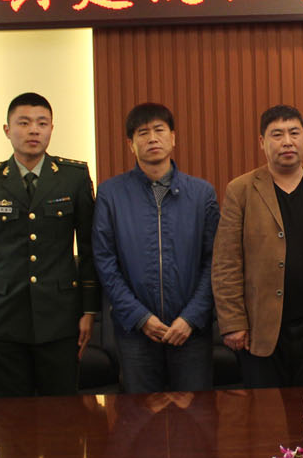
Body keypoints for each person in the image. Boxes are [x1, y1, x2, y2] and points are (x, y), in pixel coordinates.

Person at [0, 92, 98, 397]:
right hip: (2, 316)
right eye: (24, 123)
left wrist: (89, 310)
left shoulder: (74, 177)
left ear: (52, 128)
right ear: (7, 130)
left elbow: (89, 250)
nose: (33, 130)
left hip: (60, 317)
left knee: (61, 412)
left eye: (41, 123)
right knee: (8, 416)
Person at [213, 105, 303, 387]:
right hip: (261, 328)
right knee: (264, 410)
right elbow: (226, 263)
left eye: (294, 133)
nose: (287, 141)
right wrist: (232, 323)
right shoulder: (241, 190)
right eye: (277, 134)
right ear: (262, 142)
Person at [93, 102, 220, 392]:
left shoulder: (202, 193)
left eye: (159, 130)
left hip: (191, 332)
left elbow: (215, 262)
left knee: (195, 414)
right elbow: (105, 263)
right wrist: (140, 317)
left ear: (173, 138)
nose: (152, 138)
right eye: (143, 132)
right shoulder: (111, 194)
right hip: (135, 332)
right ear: (131, 144)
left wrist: (190, 317)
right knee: (140, 415)